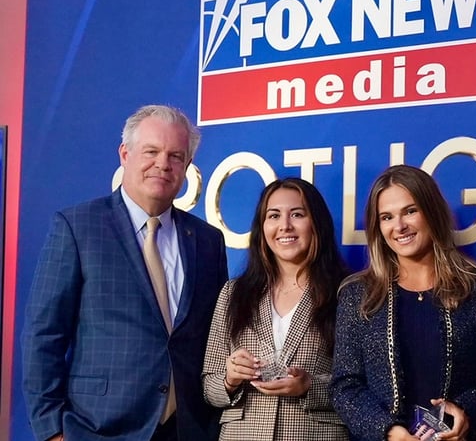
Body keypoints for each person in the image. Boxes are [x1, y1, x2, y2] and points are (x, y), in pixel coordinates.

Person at [21, 105, 229, 440]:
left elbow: (216, 339)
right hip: (97, 428)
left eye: (176, 155)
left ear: (187, 166)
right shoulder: (77, 227)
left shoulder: (208, 241)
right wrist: (51, 430)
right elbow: (43, 335)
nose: (163, 164)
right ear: (125, 154)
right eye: (151, 151)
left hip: (187, 430)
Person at [330, 165, 476, 441]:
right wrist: (389, 432)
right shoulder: (359, 294)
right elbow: (345, 385)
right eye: (386, 217)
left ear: (431, 212)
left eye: (410, 211)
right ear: (377, 227)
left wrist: (465, 412)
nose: (399, 226)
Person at [202, 178, 349, 440]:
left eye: (297, 214)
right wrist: (230, 379)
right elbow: (209, 388)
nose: (285, 226)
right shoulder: (233, 293)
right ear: (262, 227)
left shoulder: (346, 293)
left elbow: (360, 386)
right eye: (274, 216)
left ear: (317, 223)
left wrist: (309, 385)